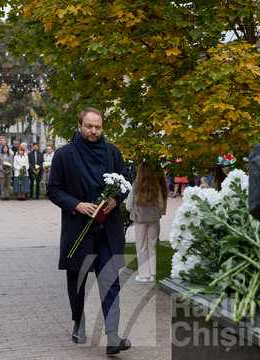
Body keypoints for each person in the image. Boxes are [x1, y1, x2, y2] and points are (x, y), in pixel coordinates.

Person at [47, 107, 131, 355]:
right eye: (89, 126)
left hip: (107, 231)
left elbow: (124, 182)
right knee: (78, 282)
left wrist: (116, 199)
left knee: (110, 281)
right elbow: (53, 190)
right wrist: (77, 205)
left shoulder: (112, 153)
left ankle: (113, 335)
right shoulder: (64, 155)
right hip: (78, 231)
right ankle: (78, 323)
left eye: (98, 127)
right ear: (80, 125)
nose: (94, 131)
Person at [125, 162, 164, 283]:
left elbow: (128, 206)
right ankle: (152, 274)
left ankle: (143, 275)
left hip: (140, 221)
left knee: (141, 247)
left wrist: (136, 212)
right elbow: (161, 205)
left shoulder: (135, 186)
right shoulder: (156, 187)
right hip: (153, 220)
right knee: (151, 246)